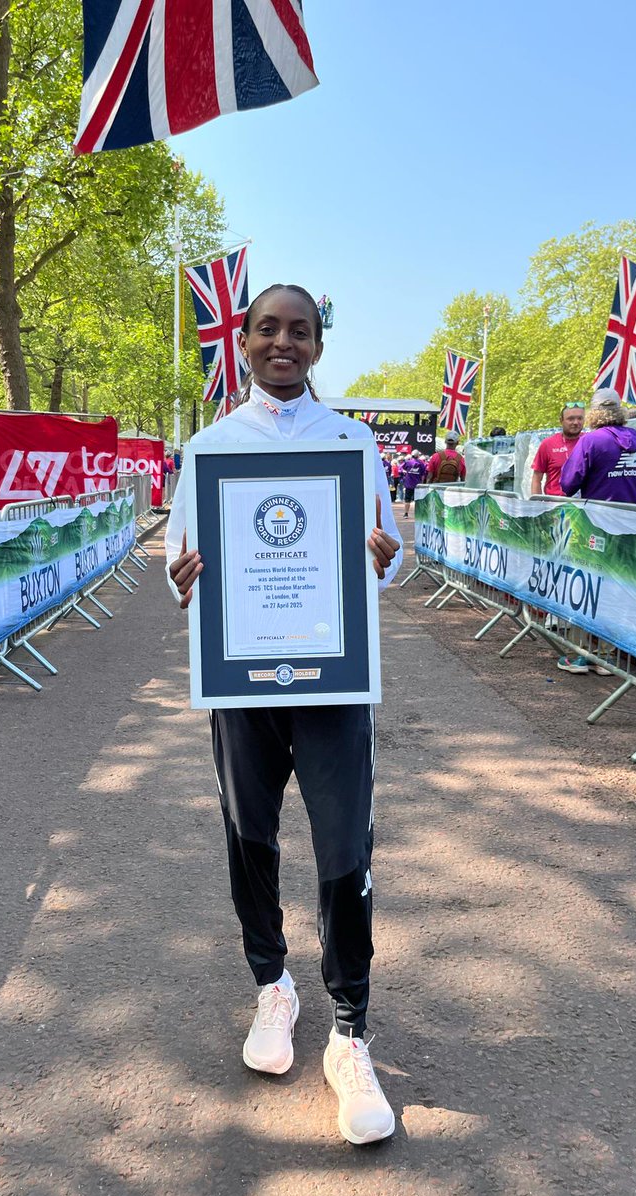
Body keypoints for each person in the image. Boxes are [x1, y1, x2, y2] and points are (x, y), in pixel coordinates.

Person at [165, 284, 402, 1146]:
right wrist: (182, 579)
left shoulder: (354, 443)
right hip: (246, 680)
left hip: (334, 680)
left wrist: (385, 557)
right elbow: (179, 557)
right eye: (269, 328)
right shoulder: (210, 447)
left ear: (318, 346)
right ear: (245, 338)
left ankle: (349, 1030)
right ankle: (274, 985)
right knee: (249, 835)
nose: (284, 343)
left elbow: (389, 556)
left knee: (346, 849)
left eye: (300, 331)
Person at [560, 388, 636, 504]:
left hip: (600, 516)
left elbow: (568, 484)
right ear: (620, 411)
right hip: (634, 514)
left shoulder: (590, 440)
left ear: (593, 413)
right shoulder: (635, 437)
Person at [531, 402, 585, 496]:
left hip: (584, 505)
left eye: (580, 418)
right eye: (571, 419)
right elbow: (536, 478)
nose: (576, 422)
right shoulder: (548, 444)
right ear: (561, 421)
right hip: (555, 504)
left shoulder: (591, 442)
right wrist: (537, 505)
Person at [399, 447, 427, 517]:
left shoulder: (408, 462)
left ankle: (406, 513)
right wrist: (422, 483)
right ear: (418, 455)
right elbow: (423, 474)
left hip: (408, 484)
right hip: (417, 484)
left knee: (407, 500)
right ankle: (417, 515)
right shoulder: (421, 463)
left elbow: (403, 467)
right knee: (417, 500)